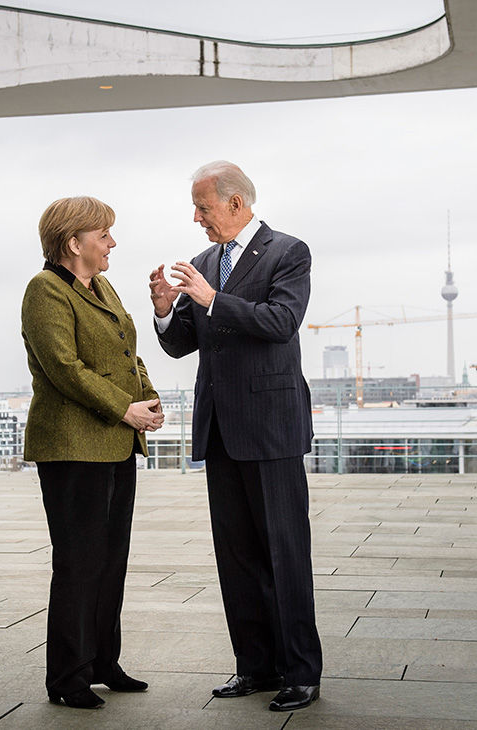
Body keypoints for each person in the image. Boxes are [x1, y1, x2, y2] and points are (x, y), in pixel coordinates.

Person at [149, 161, 323, 712]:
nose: (196, 217)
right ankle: (255, 667)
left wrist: (209, 299)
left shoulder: (287, 252)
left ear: (236, 204)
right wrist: (162, 310)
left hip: (271, 428)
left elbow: (280, 322)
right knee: (238, 555)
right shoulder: (203, 264)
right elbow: (181, 344)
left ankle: (300, 672)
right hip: (221, 429)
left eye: (203, 207)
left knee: (285, 553)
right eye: (196, 207)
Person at [21, 195, 165, 709]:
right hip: (72, 448)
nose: (112, 243)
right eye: (103, 234)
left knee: (110, 561)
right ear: (73, 242)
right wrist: (125, 409)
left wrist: (146, 399)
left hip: (114, 445)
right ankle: (67, 679)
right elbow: (64, 367)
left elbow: (128, 352)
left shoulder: (100, 285)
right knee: (79, 563)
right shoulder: (45, 290)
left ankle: (104, 661)